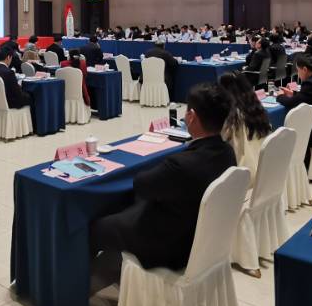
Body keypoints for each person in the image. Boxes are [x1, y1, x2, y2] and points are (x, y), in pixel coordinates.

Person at [90, 83, 236, 270]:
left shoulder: (181, 165)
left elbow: (141, 185)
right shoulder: (228, 152)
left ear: (191, 117)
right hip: (204, 238)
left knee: (96, 227)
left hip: (171, 246)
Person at [219, 72, 272, 181]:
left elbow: (223, 141)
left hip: (245, 174)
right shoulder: (257, 109)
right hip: (266, 166)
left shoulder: (233, 118)